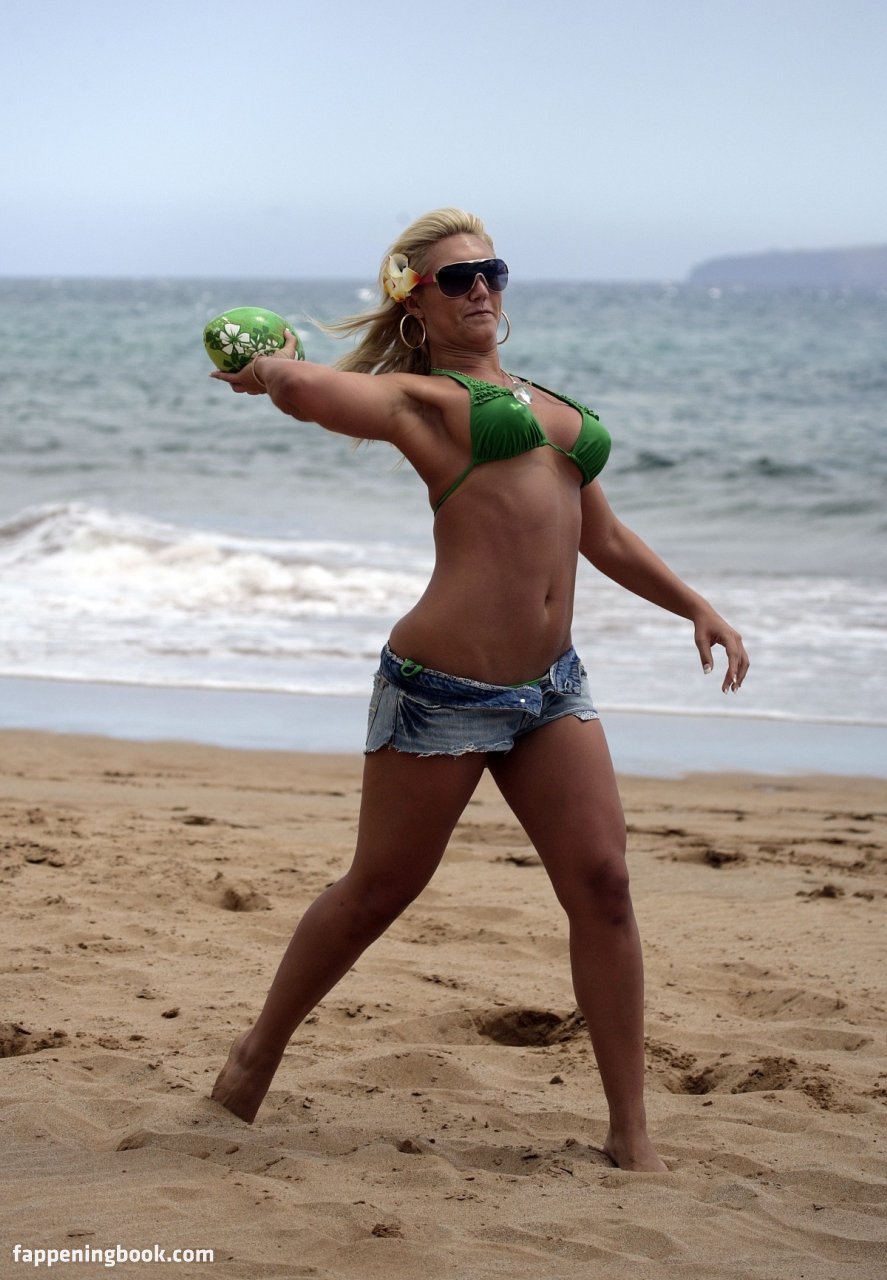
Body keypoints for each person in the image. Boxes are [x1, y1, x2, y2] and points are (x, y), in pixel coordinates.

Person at [209, 208, 748, 1172]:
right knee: (379, 890)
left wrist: (695, 606)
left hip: (552, 689)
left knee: (605, 885)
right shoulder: (417, 400)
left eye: (490, 271)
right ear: (413, 303)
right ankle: (257, 1054)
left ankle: (629, 1133)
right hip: (440, 691)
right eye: (456, 278)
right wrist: (275, 369)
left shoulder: (545, 405)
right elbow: (314, 393)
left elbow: (602, 536)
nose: (481, 289)